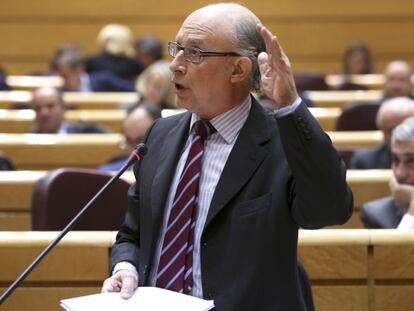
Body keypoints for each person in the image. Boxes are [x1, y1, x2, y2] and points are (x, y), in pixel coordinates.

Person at [102, 3, 353, 310]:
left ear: (238, 69)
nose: (175, 65)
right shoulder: (160, 134)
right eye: (176, 49)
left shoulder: (284, 144)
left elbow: (330, 210)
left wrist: (290, 105)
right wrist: (124, 268)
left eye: (194, 53)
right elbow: (132, 233)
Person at [360, 116, 414, 228]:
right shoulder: (377, 215)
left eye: (411, 161)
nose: (399, 173)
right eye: (395, 160)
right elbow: (398, 246)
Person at [350, 97, 414, 169]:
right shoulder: (364, 160)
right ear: (382, 131)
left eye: (406, 131)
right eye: (391, 131)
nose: (398, 136)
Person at [97, 103, 160, 172]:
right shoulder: (107, 172)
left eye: (141, 141)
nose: (134, 150)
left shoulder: (168, 175)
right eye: (129, 140)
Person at [52, 43, 135, 92]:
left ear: (79, 70)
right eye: (61, 76)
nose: (63, 80)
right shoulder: (58, 91)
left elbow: (133, 90)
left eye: (66, 76)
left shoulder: (105, 80)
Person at [30, 87, 109, 134]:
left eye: (50, 106)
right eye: (38, 108)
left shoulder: (89, 132)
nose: (44, 113)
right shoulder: (29, 137)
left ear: (63, 108)